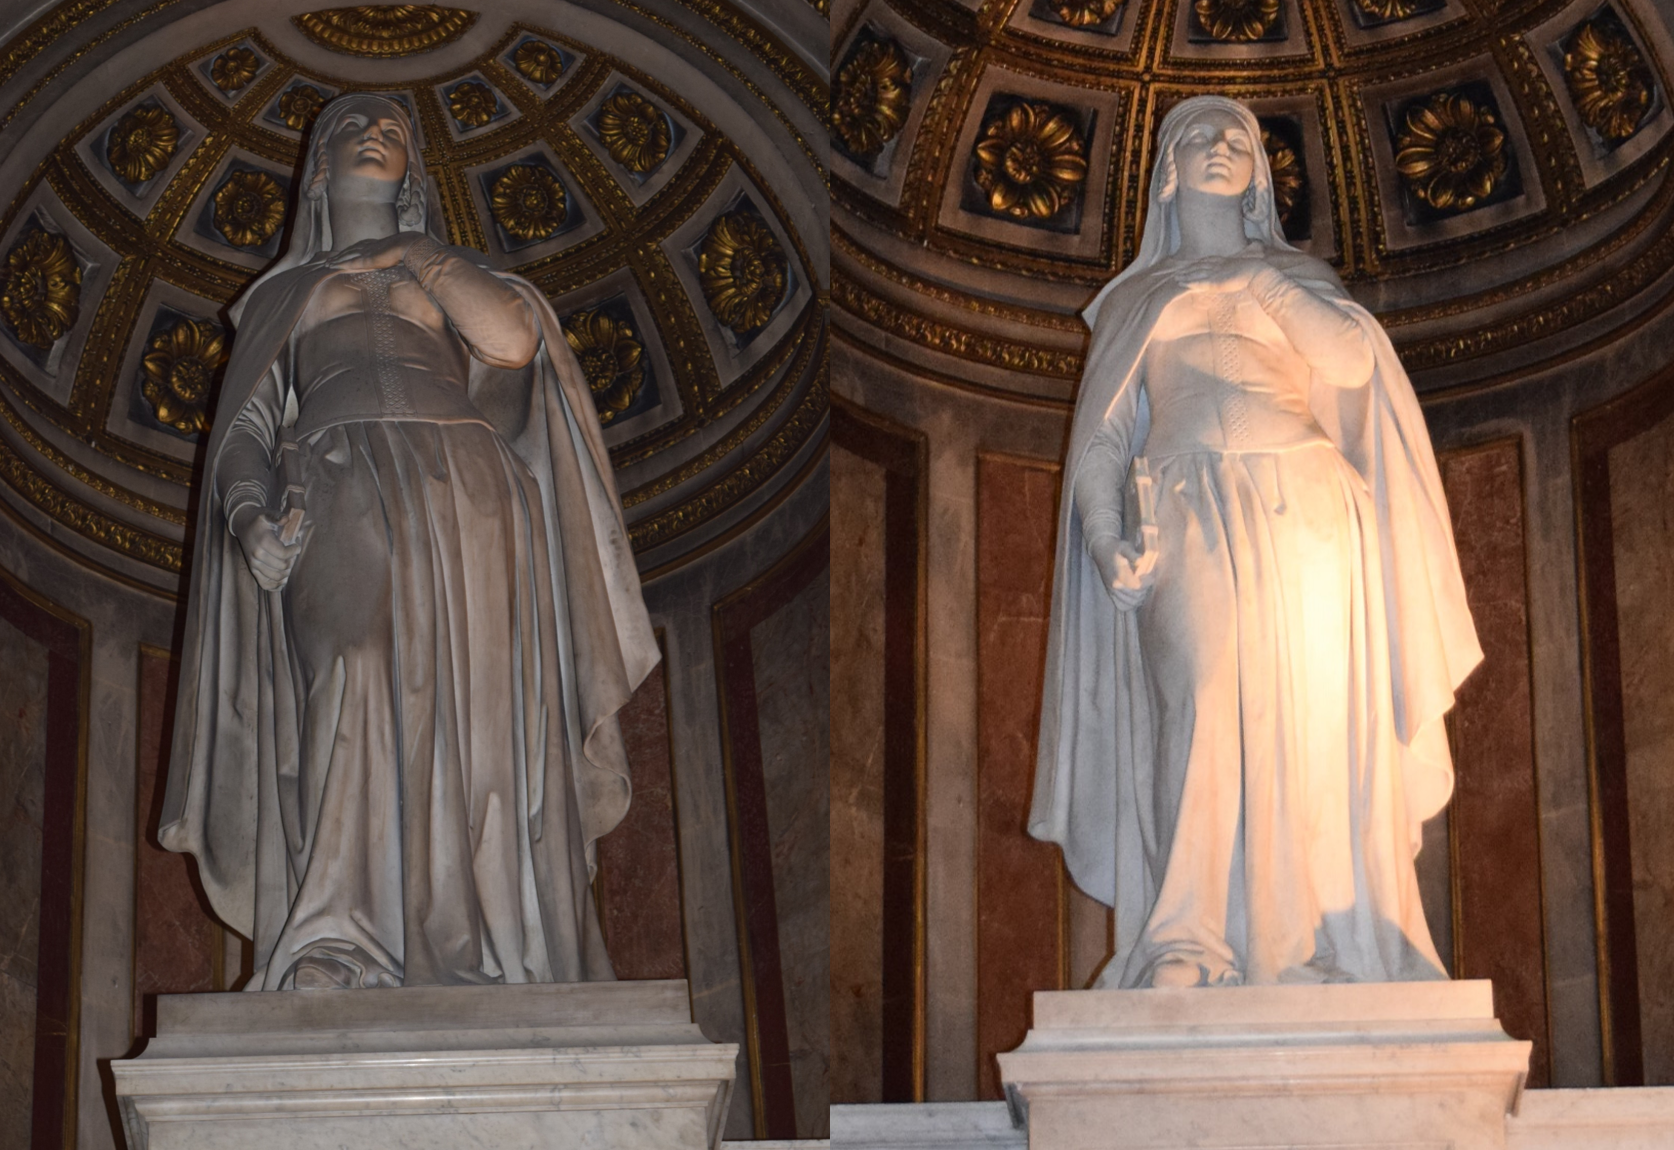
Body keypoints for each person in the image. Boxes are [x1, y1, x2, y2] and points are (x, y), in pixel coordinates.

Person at [159, 94, 659, 990]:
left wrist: (415, 254)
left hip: (468, 488)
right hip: (334, 477)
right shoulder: (282, 295)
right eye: (352, 124)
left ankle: (501, 948)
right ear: (318, 166)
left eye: (394, 128)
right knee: (350, 666)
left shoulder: (443, 268)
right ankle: (334, 941)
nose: (375, 133)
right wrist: (247, 517)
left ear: (417, 176)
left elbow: (509, 342)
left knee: (483, 715)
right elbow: (245, 427)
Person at [1028, 96, 1483, 989]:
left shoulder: (1298, 277)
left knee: (1306, 717)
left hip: (1307, 501)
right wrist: (1107, 533)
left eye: (1238, 137)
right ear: (1166, 170)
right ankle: (1185, 939)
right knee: (1197, 697)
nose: (1219, 145)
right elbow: (1104, 441)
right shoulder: (1133, 300)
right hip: (1184, 502)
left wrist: (1261, 276)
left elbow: (1352, 366)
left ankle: (1308, 939)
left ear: (1260, 178)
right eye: (1197, 134)